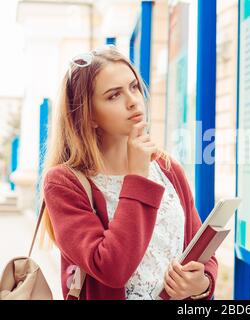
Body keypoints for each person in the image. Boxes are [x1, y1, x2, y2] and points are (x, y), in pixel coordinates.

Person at [41, 45, 217, 300]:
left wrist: (201, 283)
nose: (133, 100)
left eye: (134, 87)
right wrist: (137, 178)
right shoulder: (64, 183)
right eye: (113, 95)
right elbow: (112, 268)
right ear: (89, 115)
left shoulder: (168, 168)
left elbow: (200, 249)